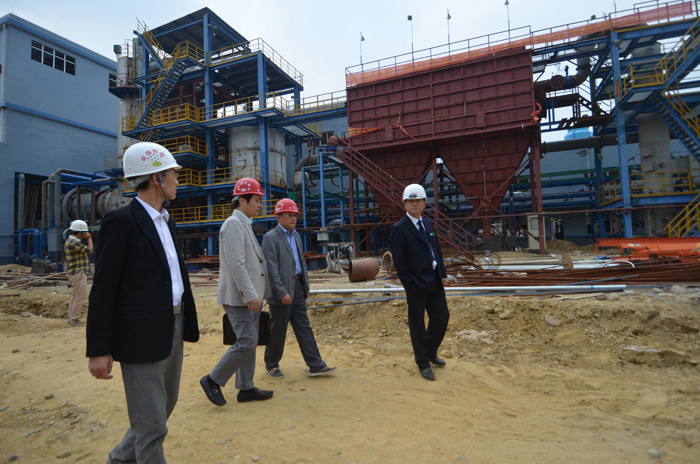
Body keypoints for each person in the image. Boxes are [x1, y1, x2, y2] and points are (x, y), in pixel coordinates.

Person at [86, 141, 200, 463]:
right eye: (173, 174)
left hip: (173, 324)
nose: (177, 180)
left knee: (164, 406)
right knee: (151, 426)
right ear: (156, 178)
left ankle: (120, 459)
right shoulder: (121, 221)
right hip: (139, 335)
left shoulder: (167, 221)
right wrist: (98, 348)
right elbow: (103, 288)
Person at [200, 177, 273, 406]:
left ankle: (246, 388)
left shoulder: (244, 224)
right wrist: (250, 294)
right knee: (247, 341)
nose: (260, 205)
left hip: (250, 297)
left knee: (250, 341)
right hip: (240, 298)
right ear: (242, 200)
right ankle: (213, 380)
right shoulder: (232, 225)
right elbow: (236, 264)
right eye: (257, 200)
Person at [262, 198, 337, 379]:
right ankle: (271, 364)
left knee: (304, 327)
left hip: (297, 287)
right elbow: (271, 269)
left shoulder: (296, 236)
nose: (293, 218)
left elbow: (301, 263)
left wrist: (305, 286)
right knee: (278, 330)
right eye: (289, 215)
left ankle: (315, 364)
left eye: (295, 215)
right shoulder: (270, 238)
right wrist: (282, 292)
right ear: (278, 217)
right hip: (281, 291)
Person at [390, 184, 450, 381]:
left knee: (441, 318)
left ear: (424, 203)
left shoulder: (429, 225)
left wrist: (442, 273)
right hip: (416, 284)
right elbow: (399, 262)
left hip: (434, 281)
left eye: (417, 201)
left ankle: (430, 352)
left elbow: (436, 251)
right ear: (404, 204)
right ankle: (422, 362)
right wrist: (410, 285)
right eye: (410, 201)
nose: (414, 204)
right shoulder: (399, 229)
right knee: (417, 324)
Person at [64, 219, 93, 327]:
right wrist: (89, 238)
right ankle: (74, 320)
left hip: (75, 273)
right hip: (78, 273)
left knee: (75, 296)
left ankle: (71, 318)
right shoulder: (74, 243)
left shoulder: (70, 241)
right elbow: (90, 250)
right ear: (81, 232)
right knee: (80, 296)